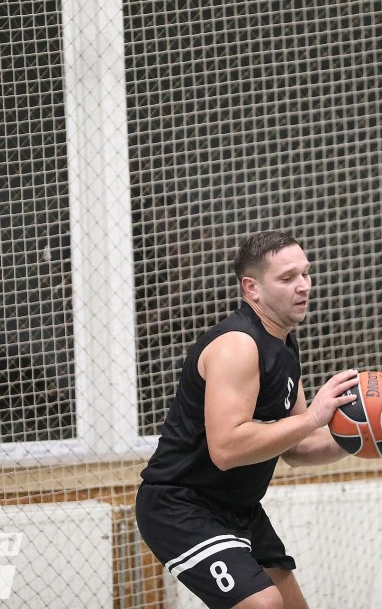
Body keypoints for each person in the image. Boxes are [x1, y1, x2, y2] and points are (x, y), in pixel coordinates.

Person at [136, 230, 360, 609]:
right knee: (263, 604)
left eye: (306, 273)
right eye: (287, 278)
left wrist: (359, 437)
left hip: (239, 508)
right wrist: (314, 416)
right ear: (252, 288)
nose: (304, 286)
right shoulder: (237, 345)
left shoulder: (285, 346)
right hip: (180, 505)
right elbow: (226, 449)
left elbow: (297, 448)